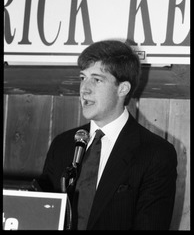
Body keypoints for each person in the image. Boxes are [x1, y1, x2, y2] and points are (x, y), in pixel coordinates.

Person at [37, 39, 177, 230]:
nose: (84, 89)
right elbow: (43, 216)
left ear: (123, 89)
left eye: (96, 79)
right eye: (82, 78)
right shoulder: (62, 144)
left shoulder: (156, 153)